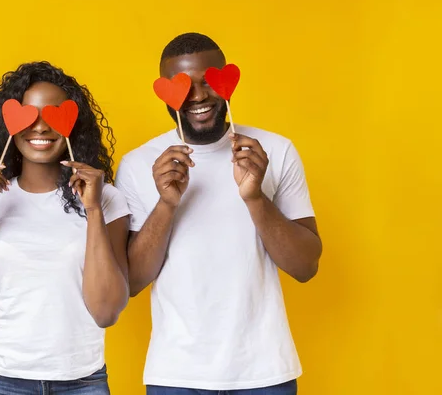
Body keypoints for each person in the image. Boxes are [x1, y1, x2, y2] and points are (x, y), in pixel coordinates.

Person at [115, 33, 322, 395]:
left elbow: (305, 267)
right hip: (176, 376)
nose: (198, 96)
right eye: (183, 85)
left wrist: (255, 198)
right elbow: (132, 281)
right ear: (165, 92)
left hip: (266, 373)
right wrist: (166, 204)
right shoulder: (137, 165)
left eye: (209, 80)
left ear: (226, 79)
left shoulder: (275, 150)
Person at [0, 61, 130, 395]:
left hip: (83, 382)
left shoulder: (106, 200)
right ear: (8, 127)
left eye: (53, 115)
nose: (41, 127)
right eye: (29, 116)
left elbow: (106, 311)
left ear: (72, 125)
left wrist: (92, 209)